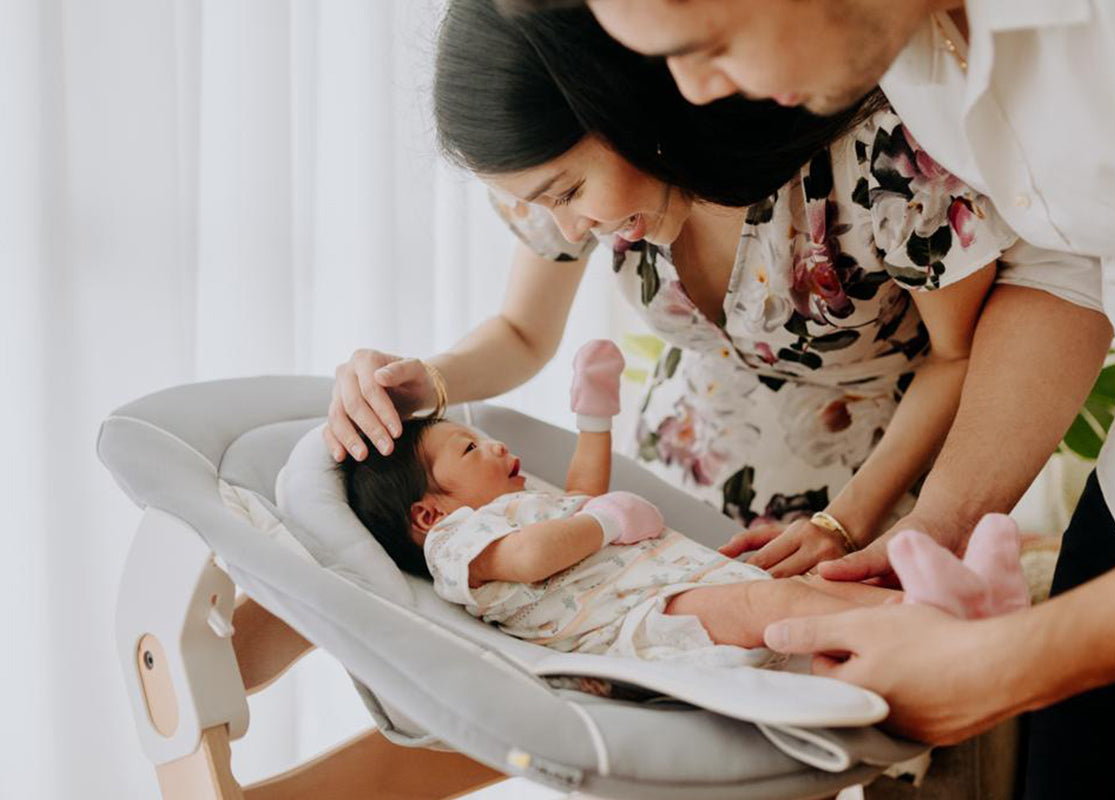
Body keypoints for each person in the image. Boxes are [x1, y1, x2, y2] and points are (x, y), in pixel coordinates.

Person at [511, 0, 1115, 795]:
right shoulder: (912, 62)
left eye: (709, 45)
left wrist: (1007, 664)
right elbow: (1064, 270)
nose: (692, 94)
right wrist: (936, 525)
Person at [326, 0, 1019, 582]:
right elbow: (522, 332)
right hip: (676, 476)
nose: (569, 225)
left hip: (885, 486)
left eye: (568, 190)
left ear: (624, 103)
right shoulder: (577, 201)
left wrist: (847, 522)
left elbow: (961, 357)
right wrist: (426, 382)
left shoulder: (882, 159)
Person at [339, 340, 1026, 665]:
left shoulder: (518, 504)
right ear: (429, 513)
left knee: (812, 587)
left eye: (482, 438)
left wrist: (595, 418)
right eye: (467, 450)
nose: (492, 449)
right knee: (774, 604)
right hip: (638, 626)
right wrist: (604, 522)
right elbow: (529, 558)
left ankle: (956, 607)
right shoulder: (459, 544)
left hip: (681, 586)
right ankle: (945, 633)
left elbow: (581, 494)